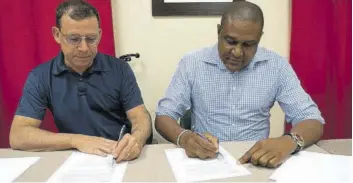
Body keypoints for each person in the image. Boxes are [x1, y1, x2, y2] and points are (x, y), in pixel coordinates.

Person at [155, 1, 324, 168]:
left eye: (248, 45)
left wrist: (289, 141)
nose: (237, 52)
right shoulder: (192, 64)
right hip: (205, 161)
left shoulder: (276, 66)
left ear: (259, 39)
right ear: (219, 31)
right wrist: (185, 137)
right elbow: (164, 116)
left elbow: (312, 120)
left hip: (255, 162)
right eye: (231, 41)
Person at [9, 0, 152, 163]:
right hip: (76, 158)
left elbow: (140, 116)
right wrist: (76, 140)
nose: (84, 48)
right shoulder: (40, 76)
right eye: (74, 39)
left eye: (91, 39)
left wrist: (137, 139)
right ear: (57, 34)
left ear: (100, 35)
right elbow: (18, 135)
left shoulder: (119, 69)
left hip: (119, 155)